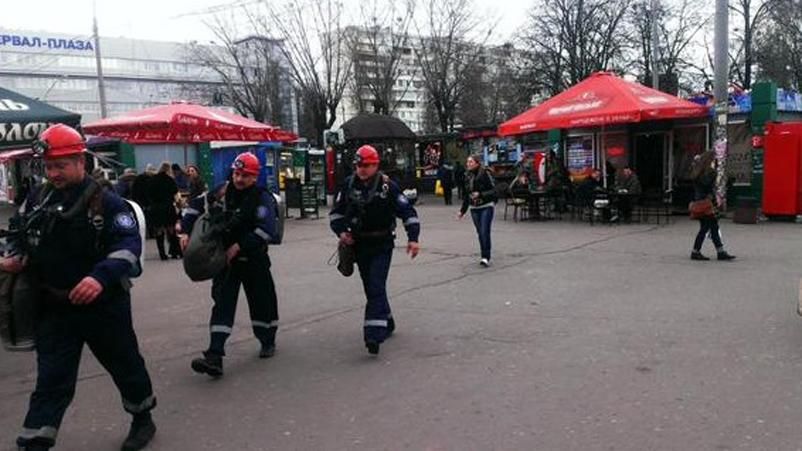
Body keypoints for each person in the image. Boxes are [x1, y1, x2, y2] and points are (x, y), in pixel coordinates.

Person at [2, 124, 155, 451]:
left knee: (125, 364)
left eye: (61, 165)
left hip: (104, 306)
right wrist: (14, 255)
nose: (53, 173)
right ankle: (35, 440)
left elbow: (128, 246)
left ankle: (143, 418)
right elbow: (18, 231)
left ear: (81, 162)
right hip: (54, 307)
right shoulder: (38, 198)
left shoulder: (109, 203)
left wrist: (99, 277)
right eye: (49, 166)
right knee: (51, 377)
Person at [179, 152, 280, 377]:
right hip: (225, 262)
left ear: (255, 177)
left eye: (245, 175)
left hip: (253, 259)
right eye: (237, 173)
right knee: (222, 304)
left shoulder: (262, 198)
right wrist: (185, 230)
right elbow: (195, 206)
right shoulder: (221, 192)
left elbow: (267, 230)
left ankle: (267, 339)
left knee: (262, 302)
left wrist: (240, 246)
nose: (239, 179)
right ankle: (214, 355)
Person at [329, 145, 420, 355]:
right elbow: (336, 214)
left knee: (376, 284)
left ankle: (373, 333)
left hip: (382, 244)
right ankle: (387, 321)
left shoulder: (388, 187)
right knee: (371, 287)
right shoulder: (348, 185)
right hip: (359, 245)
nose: (362, 169)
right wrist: (342, 232)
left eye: (367, 165)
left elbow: (407, 211)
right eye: (359, 165)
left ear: (376, 165)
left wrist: (413, 238)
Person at [690, 151, 736, 261]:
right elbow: (707, 186)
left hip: (700, 202)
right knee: (706, 228)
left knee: (712, 227)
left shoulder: (697, 171)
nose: (715, 161)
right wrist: (714, 174)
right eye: (713, 159)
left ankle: (720, 251)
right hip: (706, 203)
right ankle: (696, 251)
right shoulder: (707, 173)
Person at [458, 154, 497, 267]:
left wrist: (480, 194)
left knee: (485, 231)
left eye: (470, 162)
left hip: (486, 206)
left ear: (477, 163)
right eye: (467, 162)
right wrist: (462, 211)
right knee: (480, 232)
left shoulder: (485, 173)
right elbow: (466, 195)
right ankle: (483, 254)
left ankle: (485, 257)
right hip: (474, 208)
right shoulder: (467, 175)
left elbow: (494, 190)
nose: (468, 164)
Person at [148, 162, 180, 260]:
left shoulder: (153, 180)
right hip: (168, 207)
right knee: (171, 230)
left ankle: (162, 254)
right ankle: (174, 253)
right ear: (168, 169)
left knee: (159, 231)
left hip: (156, 208)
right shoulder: (170, 180)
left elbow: (149, 194)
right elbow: (175, 192)